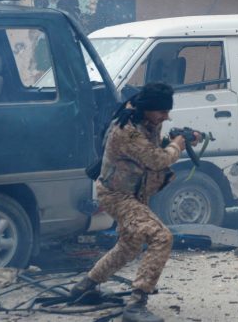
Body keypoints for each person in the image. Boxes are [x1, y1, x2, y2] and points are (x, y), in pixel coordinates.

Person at [70, 82, 195, 322]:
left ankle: (85, 286)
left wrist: (181, 138)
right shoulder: (128, 130)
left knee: (130, 244)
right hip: (117, 195)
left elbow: (151, 147)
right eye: (161, 112)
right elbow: (157, 159)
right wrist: (177, 145)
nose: (165, 117)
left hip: (134, 193)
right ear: (148, 108)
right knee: (161, 237)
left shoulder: (145, 118)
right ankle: (136, 305)